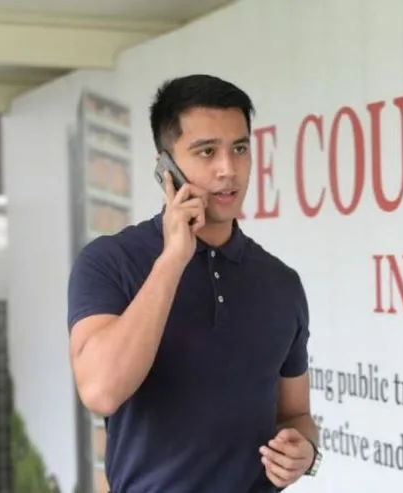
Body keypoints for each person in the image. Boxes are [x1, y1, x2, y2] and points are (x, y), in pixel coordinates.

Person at [67, 74, 321, 493]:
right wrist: (172, 260)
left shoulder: (281, 283)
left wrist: (305, 451)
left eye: (240, 149)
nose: (228, 169)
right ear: (165, 167)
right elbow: (101, 391)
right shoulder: (110, 262)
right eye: (207, 151)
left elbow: (295, 415)